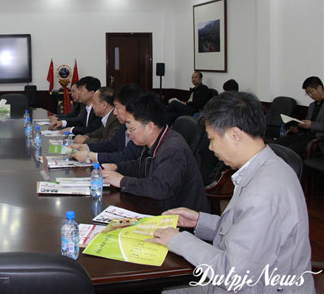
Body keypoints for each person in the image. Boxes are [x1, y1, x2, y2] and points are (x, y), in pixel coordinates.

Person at [148, 92, 314, 293]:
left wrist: (178, 240)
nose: (210, 148)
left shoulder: (263, 192)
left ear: (235, 135)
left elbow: (234, 275)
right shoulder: (264, 166)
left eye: (212, 139)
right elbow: (245, 231)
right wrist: (200, 221)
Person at [101, 93, 209, 213]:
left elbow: (160, 188)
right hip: (159, 208)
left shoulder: (173, 148)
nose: (128, 132)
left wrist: (122, 181)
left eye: (131, 128)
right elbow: (140, 166)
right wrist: (116, 167)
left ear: (150, 127)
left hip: (179, 218)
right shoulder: (155, 141)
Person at [70, 83, 144, 164]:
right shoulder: (124, 126)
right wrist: (85, 147)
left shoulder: (139, 129)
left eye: (117, 107)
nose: (115, 112)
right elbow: (111, 144)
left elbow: (126, 157)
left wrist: (91, 156)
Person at [277, 76, 324, 156]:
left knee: (291, 150)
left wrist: (311, 125)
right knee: (278, 143)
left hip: (318, 139)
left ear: (319, 88)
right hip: (306, 135)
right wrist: (298, 128)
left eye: (311, 92)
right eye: (307, 93)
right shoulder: (312, 105)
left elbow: (312, 125)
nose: (310, 95)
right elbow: (307, 123)